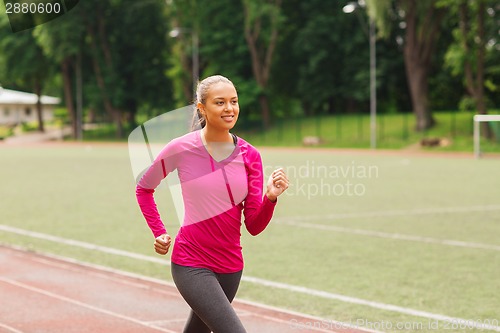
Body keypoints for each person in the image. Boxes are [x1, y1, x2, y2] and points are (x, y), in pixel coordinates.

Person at [136, 75, 289, 333]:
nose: (229, 109)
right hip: (191, 261)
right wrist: (159, 231)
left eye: (234, 101)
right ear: (202, 108)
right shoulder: (181, 148)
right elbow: (144, 188)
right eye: (220, 102)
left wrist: (270, 198)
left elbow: (253, 225)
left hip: (231, 266)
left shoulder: (251, 156)